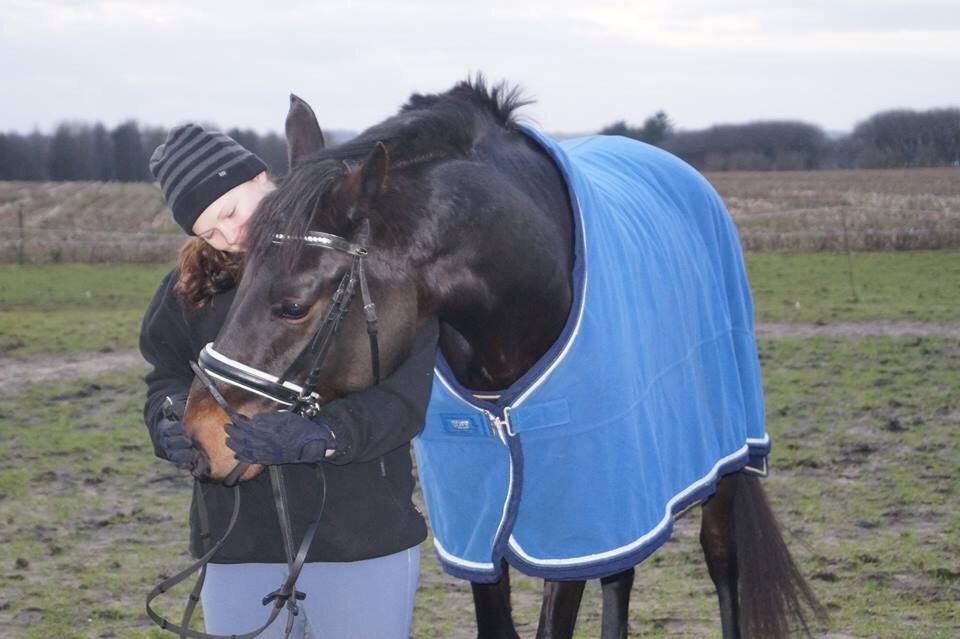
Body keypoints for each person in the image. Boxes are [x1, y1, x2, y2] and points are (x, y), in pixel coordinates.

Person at [139, 124, 438, 637]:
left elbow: (404, 402)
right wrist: (168, 419)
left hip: (359, 543)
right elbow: (165, 373)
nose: (228, 236)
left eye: (230, 212)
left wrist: (325, 435)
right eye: (208, 232)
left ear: (263, 178)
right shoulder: (189, 288)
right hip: (235, 545)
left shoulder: (373, 269)